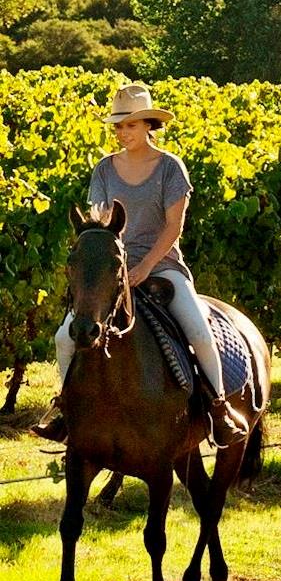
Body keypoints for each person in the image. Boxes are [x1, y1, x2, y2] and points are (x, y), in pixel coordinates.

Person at [31, 84, 249, 447]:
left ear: (149, 124)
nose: (122, 132)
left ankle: (219, 408)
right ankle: (67, 411)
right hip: (111, 271)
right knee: (63, 338)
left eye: (129, 125)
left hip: (162, 266)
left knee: (198, 330)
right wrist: (110, 265)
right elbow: (101, 221)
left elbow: (174, 226)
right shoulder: (103, 169)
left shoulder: (169, 168)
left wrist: (146, 266)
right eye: (117, 126)